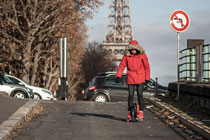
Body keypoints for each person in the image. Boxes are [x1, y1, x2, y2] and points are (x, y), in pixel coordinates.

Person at [115, 40, 150, 121]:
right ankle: (129, 112)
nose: (133, 50)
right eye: (131, 49)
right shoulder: (126, 56)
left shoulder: (142, 55)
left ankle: (141, 112)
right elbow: (121, 66)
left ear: (137, 49)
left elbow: (147, 67)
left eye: (134, 49)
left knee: (140, 94)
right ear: (129, 49)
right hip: (131, 78)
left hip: (140, 78)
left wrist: (147, 78)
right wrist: (118, 76)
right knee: (130, 95)